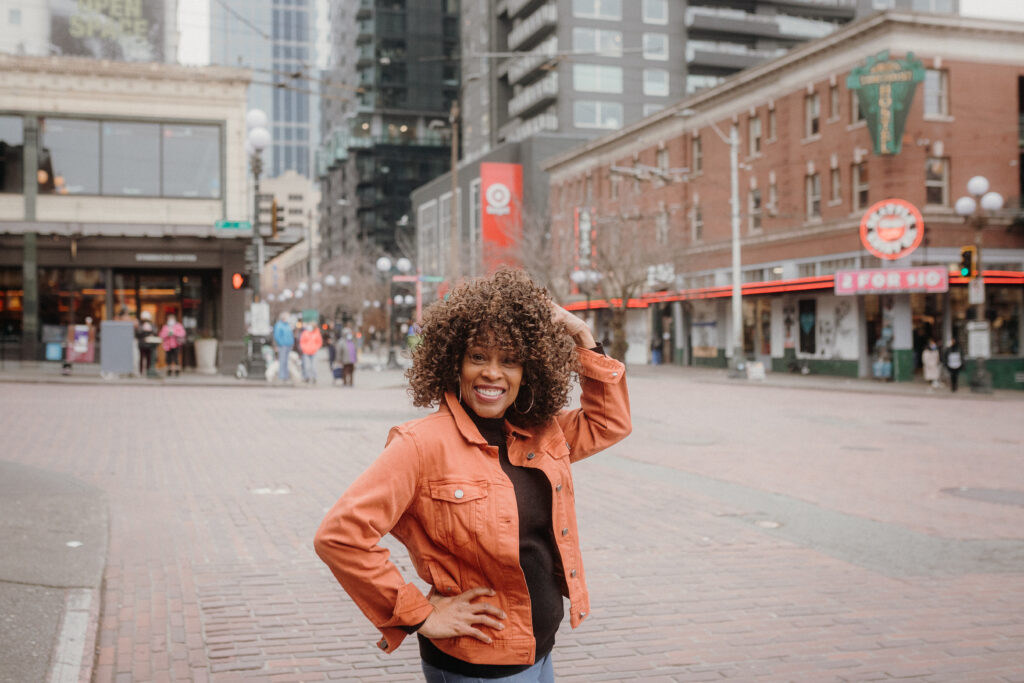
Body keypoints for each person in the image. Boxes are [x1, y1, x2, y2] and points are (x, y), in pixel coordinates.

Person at [314, 269, 632, 682]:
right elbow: (340, 535)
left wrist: (583, 337)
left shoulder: (541, 430)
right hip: (479, 666)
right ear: (453, 363)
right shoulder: (420, 445)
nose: (492, 373)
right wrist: (419, 615)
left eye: (509, 361)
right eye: (478, 357)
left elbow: (609, 423)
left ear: (528, 371)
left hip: (539, 651)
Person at [273, 312, 295, 383]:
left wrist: (291, 343)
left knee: (286, 362)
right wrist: (281, 343)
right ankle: (282, 376)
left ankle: (286, 376)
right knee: (282, 361)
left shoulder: (287, 325)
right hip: (282, 346)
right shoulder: (279, 325)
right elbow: (277, 336)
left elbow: (290, 335)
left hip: (288, 345)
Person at [137, 311, 158, 377]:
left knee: (149, 358)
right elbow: (138, 333)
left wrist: (151, 330)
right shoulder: (140, 325)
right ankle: (141, 371)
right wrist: (143, 330)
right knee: (141, 359)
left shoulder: (152, 325)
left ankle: (148, 371)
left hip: (150, 344)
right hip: (142, 344)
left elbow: (155, 332)